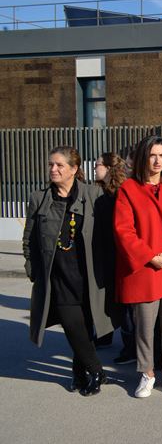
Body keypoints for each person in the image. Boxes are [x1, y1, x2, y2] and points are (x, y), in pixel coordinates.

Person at [23, 146, 113, 396]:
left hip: (88, 276)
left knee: (83, 327)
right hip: (58, 278)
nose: (53, 169)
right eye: (51, 164)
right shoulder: (38, 198)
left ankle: (77, 372)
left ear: (74, 169)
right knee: (73, 325)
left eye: (59, 165)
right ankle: (96, 371)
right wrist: (32, 269)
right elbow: (29, 238)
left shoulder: (94, 195)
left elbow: (108, 236)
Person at [113, 135, 162, 398]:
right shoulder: (128, 189)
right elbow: (123, 230)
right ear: (142, 158)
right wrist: (149, 256)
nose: (157, 161)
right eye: (152, 155)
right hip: (144, 269)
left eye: (161, 155)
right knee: (145, 327)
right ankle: (146, 373)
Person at [93, 152, 135, 365]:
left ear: (109, 168)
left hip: (119, 255)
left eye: (98, 164)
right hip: (109, 255)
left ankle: (131, 347)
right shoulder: (99, 192)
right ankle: (107, 336)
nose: (94, 168)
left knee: (126, 304)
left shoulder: (117, 194)